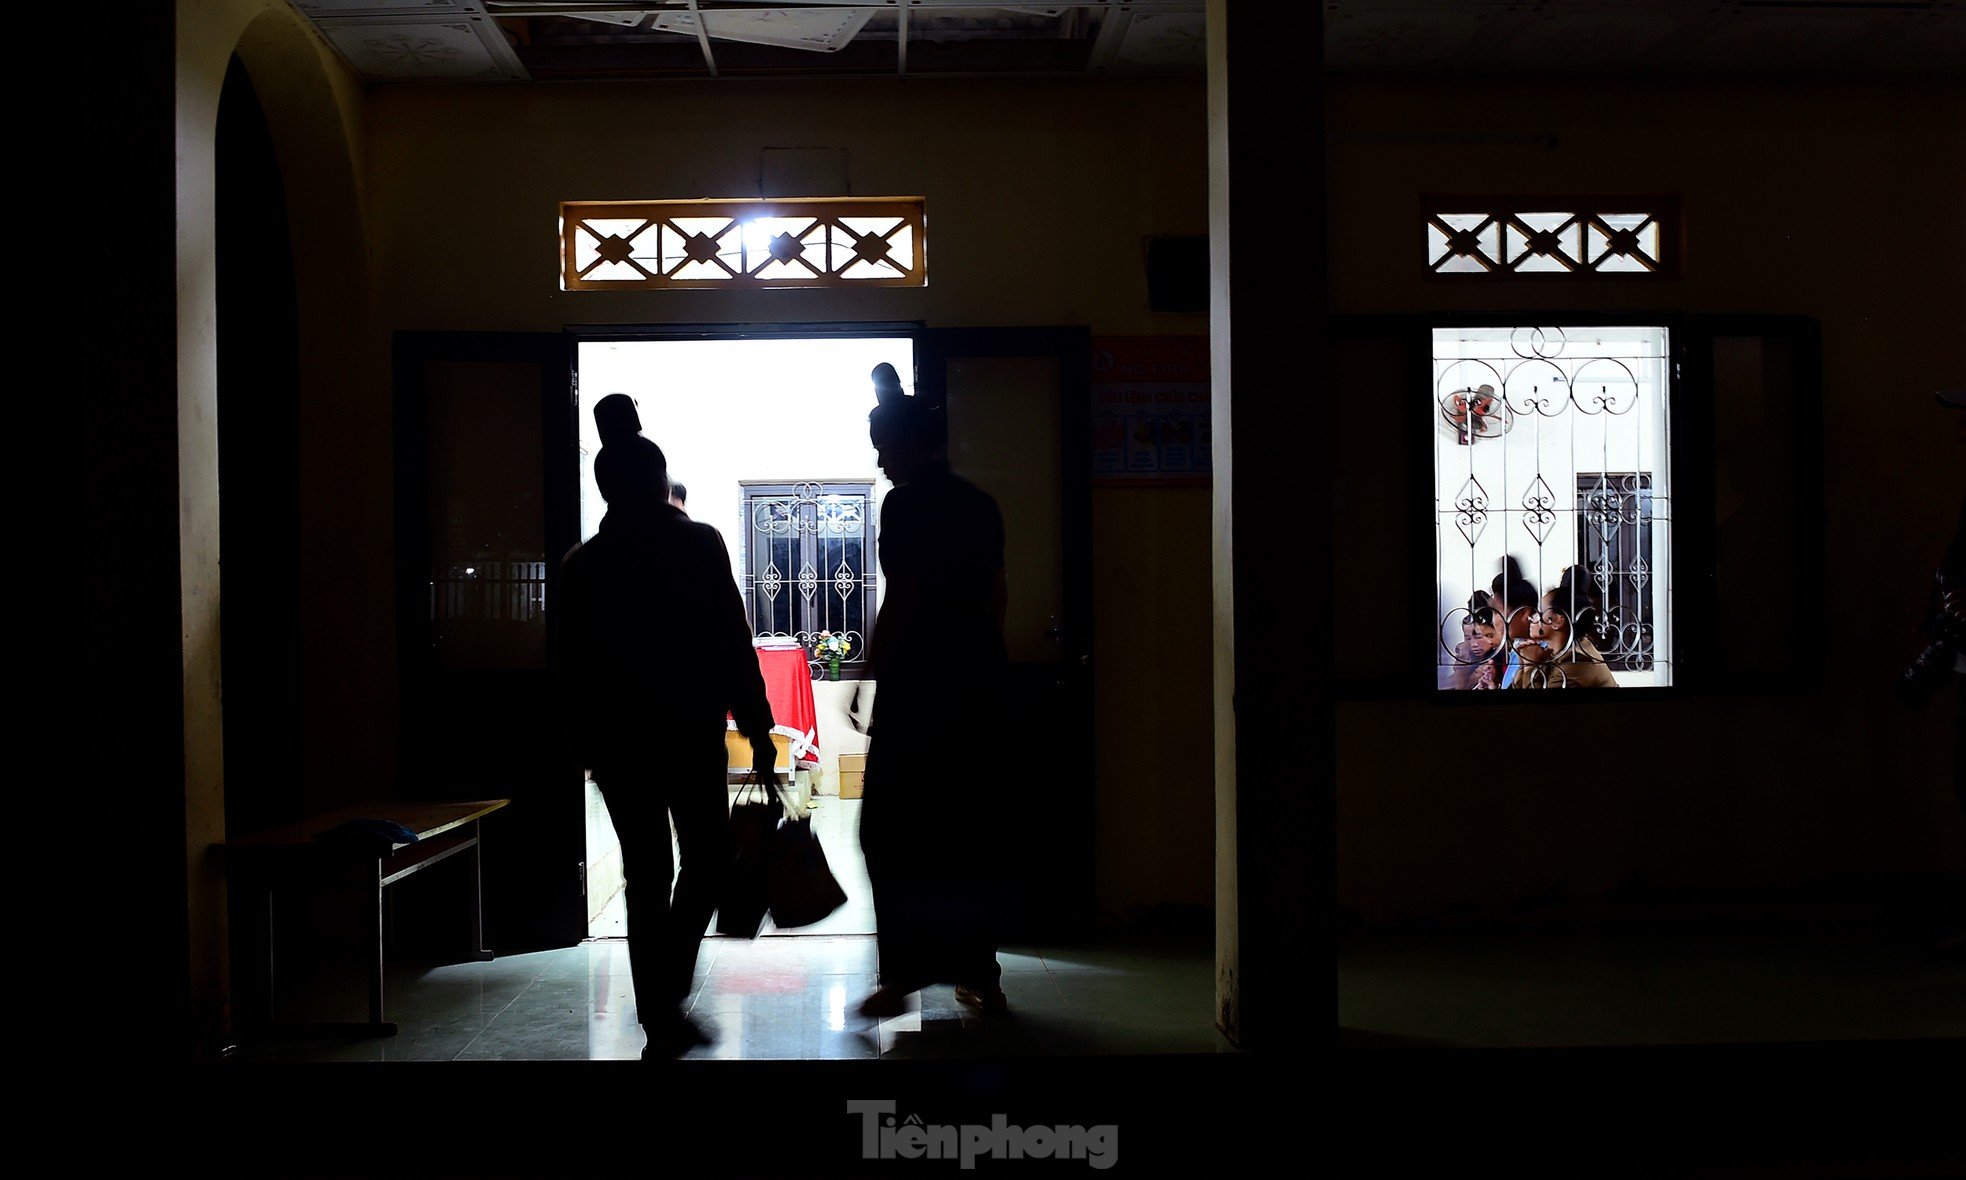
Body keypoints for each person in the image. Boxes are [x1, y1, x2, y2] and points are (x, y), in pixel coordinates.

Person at [555, 393, 781, 1056]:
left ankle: (659, 1010)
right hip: (689, 735)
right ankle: (668, 991)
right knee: (707, 861)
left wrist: (582, 745)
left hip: (620, 748)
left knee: (645, 874)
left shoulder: (583, 565)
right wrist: (761, 731)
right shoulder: (698, 543)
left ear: (604, 488)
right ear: (659, 483)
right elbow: (733, 648)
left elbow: (567, 668)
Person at [854, 362, 1013, 1018]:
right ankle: (978, 970)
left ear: (914, 446)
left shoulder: (907, 504)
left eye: (886, 448)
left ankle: (903, 973)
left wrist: (867, 676)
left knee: (888, 832)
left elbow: (905, 598)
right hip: (976, 688)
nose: (880, 460)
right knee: (967, 833)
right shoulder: (980, 505)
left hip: (919, 692)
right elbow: (998, 598)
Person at [1511, 565, 1620, 689]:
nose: (1532, 617)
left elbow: (1538, 707)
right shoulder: (1553, 653)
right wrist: (1526, 661)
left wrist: (1531, 665)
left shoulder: (1578, 662)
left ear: (1557, 621)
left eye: (1540, 612)